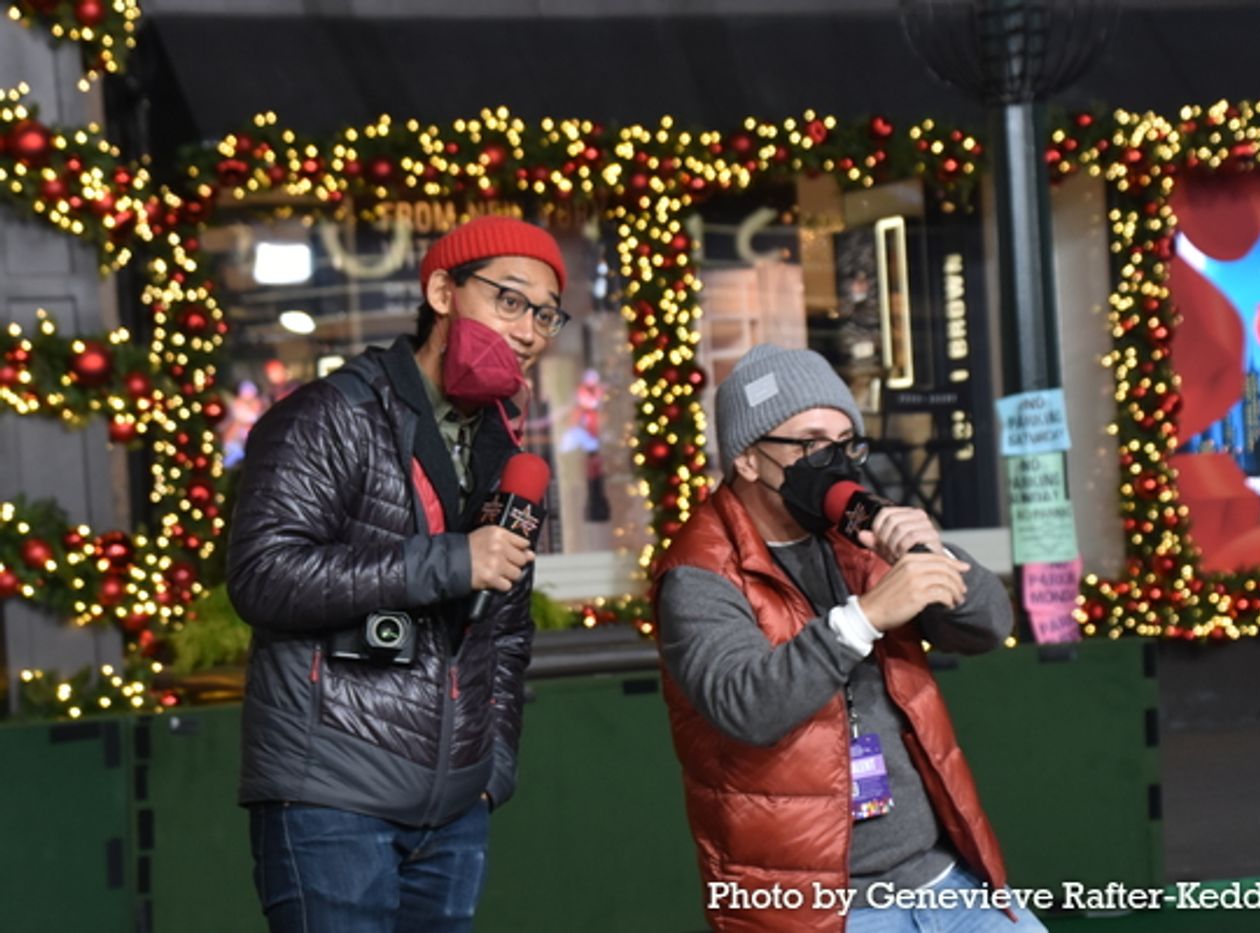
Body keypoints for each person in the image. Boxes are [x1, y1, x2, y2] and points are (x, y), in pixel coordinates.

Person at [226, 215, 570, 932]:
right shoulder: (328, 416)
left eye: (545, 313)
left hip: (454, 809)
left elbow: (505, 634)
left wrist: (490, 771)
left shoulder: (507, 454)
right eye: (509, 300)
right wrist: (452, 558)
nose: (530, 329)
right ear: (442, 290)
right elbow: (262, 574)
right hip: (330, 793)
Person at [652, 344, 1046, 932]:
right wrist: (865, 617)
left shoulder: (855, 535)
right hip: (823, 909)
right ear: (749, 460)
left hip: (946, 879)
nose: (833, 461)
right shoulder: (698, 571)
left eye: (845, 443)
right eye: (810, 444)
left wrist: (931, 552)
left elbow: (989, 626)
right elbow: (748, 706)